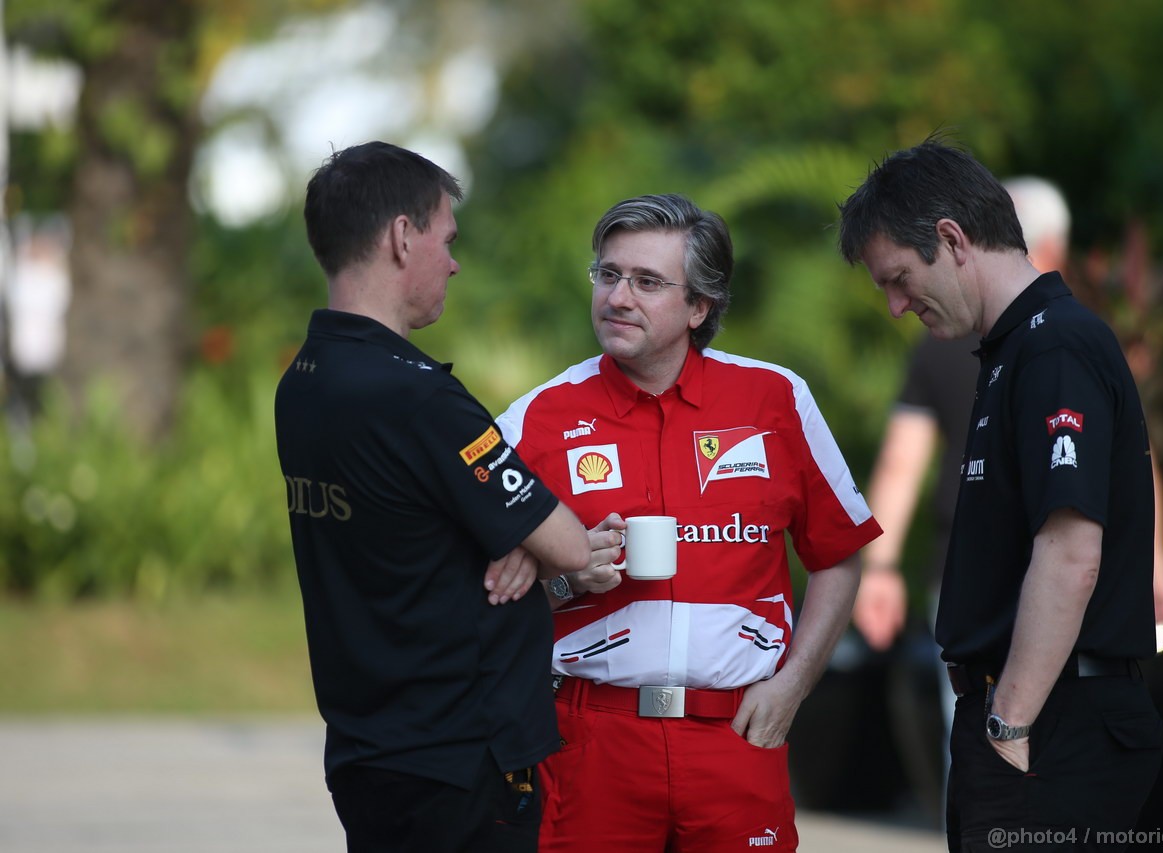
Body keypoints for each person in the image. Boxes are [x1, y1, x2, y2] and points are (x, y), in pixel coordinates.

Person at [495, 193, 882, 851]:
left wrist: (793, 685)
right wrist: (567, 579)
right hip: (591, 742)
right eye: (608, 273)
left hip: (735, 736)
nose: (618, 296)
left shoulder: (775, 398)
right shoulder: (538, 418)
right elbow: (483, 584)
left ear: (699, 306)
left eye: (647, 282)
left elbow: (839, 554)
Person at [839, 140, 1163, 851]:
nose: (895, 306)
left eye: (897, 278)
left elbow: (1071, 550)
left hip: (1053, 729)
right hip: (1040, 723)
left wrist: (1008, 726)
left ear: (952, 239)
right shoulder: (1014, 348)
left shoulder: (1053, 349)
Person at [274, 141, 590, 853]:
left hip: (366, 750)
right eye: (447, 239)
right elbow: (570, 544)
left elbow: (408, 522)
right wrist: (533, 549)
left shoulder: (302, 381)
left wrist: (520, 546)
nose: (453, 262)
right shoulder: (417, 397)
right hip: (460, 760)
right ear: (400, 235)